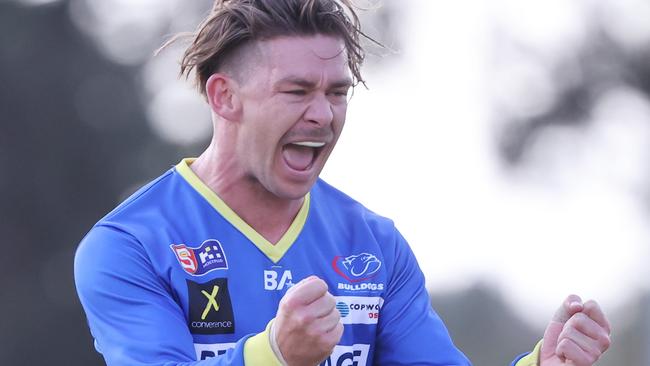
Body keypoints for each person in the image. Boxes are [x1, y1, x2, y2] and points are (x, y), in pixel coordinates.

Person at [74, 0, 611, 365]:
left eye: (337, 93)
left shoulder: (375, 246)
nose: (323, 115)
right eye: (296, 90)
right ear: (224, 97)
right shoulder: (129, 245)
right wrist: (276, 354)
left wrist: (544, 363)